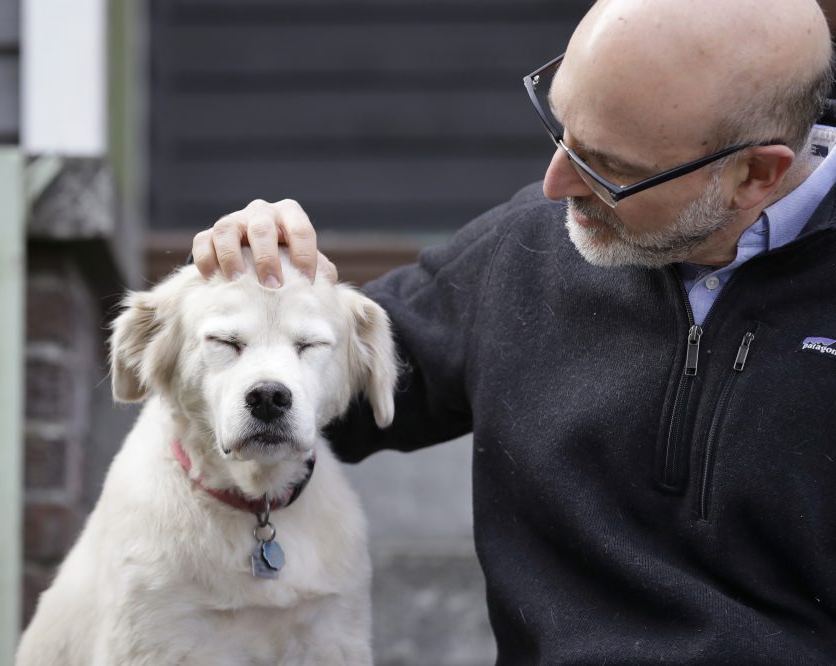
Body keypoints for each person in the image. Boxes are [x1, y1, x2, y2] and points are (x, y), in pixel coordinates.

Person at [190, 0, 836, 662]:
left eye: (610, 167)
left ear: (756, 175)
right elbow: (332, 396)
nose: (556, 186)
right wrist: (274, 300)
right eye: (561, 130)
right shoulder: (523, 245)